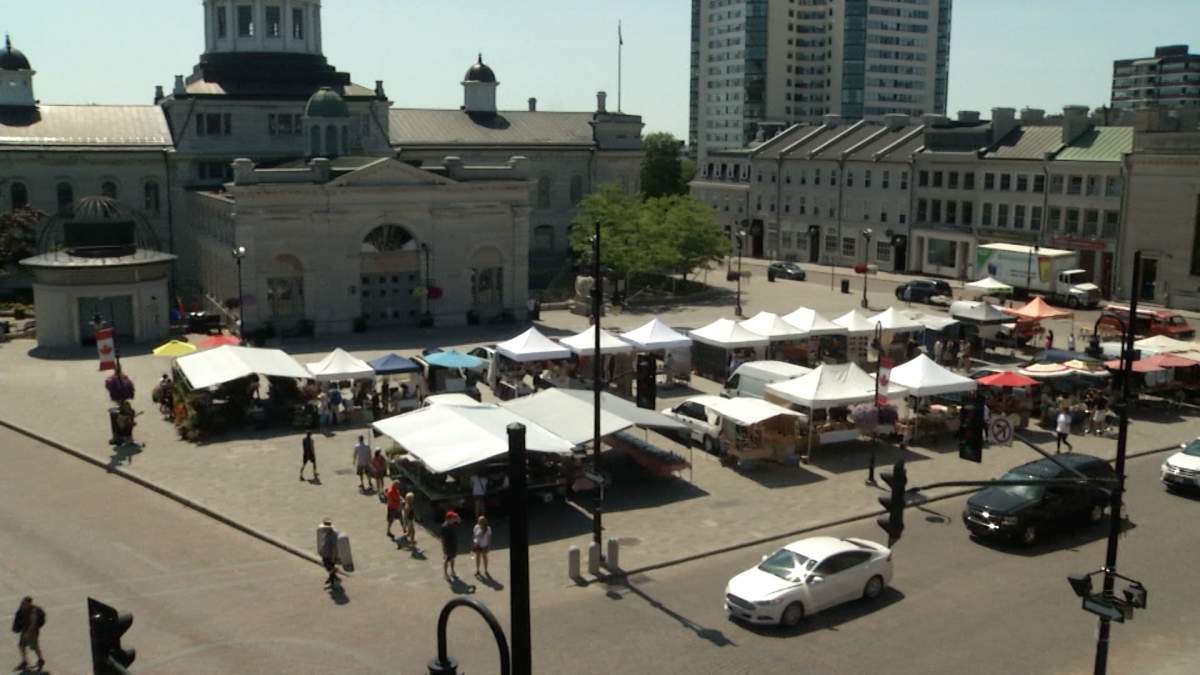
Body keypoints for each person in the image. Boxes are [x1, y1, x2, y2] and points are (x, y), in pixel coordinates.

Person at [12, 597, 45, 672]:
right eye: (22, 603)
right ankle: (25, 661)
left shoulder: (34, 611)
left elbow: (33, 624)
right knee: (21, 645)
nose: (22, 604)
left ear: (29, 603)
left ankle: (40, 660)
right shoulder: (24, 609)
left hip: (31, 633)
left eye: (24, 603)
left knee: (34, 647)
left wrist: (28, 633)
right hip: (25, 631)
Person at [317, 518, 341, 587]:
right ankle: (333, 578)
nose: (324, 529)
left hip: (330, 555)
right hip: (325, 554)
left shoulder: (333, 535)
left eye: (325, 528)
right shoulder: (327, 533)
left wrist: (333, 557)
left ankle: (333, 579)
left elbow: (334, 547)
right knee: (328, 567)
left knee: (329, 567)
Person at [441, 510, 462, 580]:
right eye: (453, 517)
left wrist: (457, 516)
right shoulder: (445, 526)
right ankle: (445, 574)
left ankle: (452, 571)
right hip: (447, 546)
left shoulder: (453, 523)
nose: (454, 518)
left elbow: (459, 521)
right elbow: (443, 538)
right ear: (449, 518)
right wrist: (443, 547)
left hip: (453, 544)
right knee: (446, 560)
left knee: (452, 558)